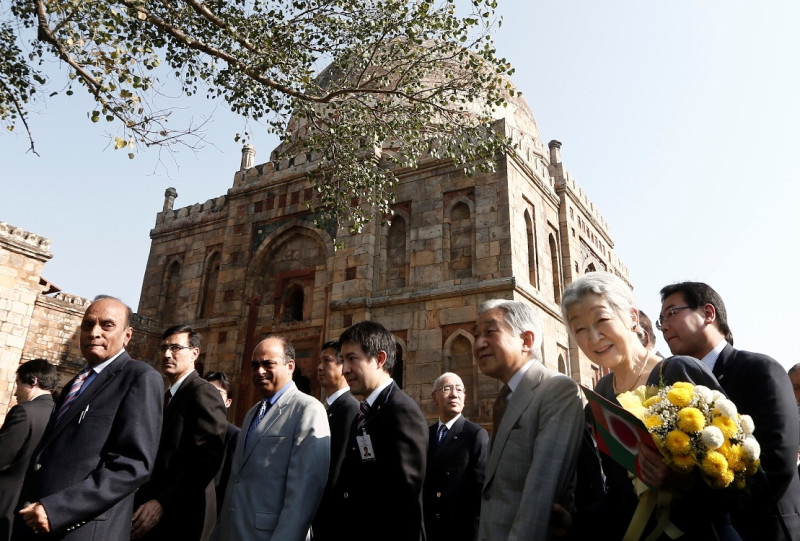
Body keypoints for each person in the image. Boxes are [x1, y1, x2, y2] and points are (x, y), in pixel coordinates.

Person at [563, 273, 738, 540]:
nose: (594, 337)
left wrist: (683, 481)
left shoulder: (679, 371)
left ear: (632, 318)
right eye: (580, 329)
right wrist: (572, 523)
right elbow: (620, 495)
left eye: (602, 320)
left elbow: (743, 477)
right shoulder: (603, 393)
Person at [13, 295, 163, 541]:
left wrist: (58, 510)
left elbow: (132, 465)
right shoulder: (76, 383)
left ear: (127, 335)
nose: (94, 332)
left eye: (107, 325)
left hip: (83, 530)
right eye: (87, 325)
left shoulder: (139, 378)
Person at [659, 281, 800, 540]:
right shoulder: (672, 392)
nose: (664, 326)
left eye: (671, 313)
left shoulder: (758, 369)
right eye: (660, 321)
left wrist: (724, 517)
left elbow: (777, 460)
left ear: (708, 314)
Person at [474, 298, 583, 540]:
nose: (479, 344)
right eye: (476, 335)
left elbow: (540, 495)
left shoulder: (556, 390)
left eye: (490, 332)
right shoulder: (506, 398)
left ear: (526, 340)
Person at [213, 335, 330, 541]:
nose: (260, 371)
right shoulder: (252, 413)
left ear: (290, 366)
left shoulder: (307, 409)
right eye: (255, 365)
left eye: (268, 364)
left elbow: (304, 494)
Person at [332, 321, 428, 541]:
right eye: (342, 360)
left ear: (380, 359)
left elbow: (407, 501)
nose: (344, 369)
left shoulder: (401, 411)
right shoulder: (366, 410)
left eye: (352, 359)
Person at [131, 325, 227, 541]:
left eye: (175, 348)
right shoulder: (168, 395)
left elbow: (207, 457)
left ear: (194, 353)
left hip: (183, 513)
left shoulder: (202, 391)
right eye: (164, 347)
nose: (166, 354)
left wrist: (162, 501)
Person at [423, 372, 488, 541]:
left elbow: (479, 492)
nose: (454, 394)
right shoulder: (425, 435)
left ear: (465, 397)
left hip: (460, 531)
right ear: (434, 397)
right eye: (447, 389)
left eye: (459, 390)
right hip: (429, 530)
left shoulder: (475, 434)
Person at [0, 359, 57, 541]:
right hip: (33, 507)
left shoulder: (24, 411)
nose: (16, 392)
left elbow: (2, 457)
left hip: (5, 503)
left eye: (18, 384)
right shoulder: (58, 413)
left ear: (33, 381)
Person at [311, 340, 358, 541]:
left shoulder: (349, 408)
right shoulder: (327, 407)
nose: (320, 367)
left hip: (332, 514)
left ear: (343, 367)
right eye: (319, 361)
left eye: (327, 361)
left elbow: (337, 467)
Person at [204, 371, 240, 516]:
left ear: (228, 402)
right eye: (208, 391)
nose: (212, 397)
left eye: (218, 392)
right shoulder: (188, 429)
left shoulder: (234, 436)